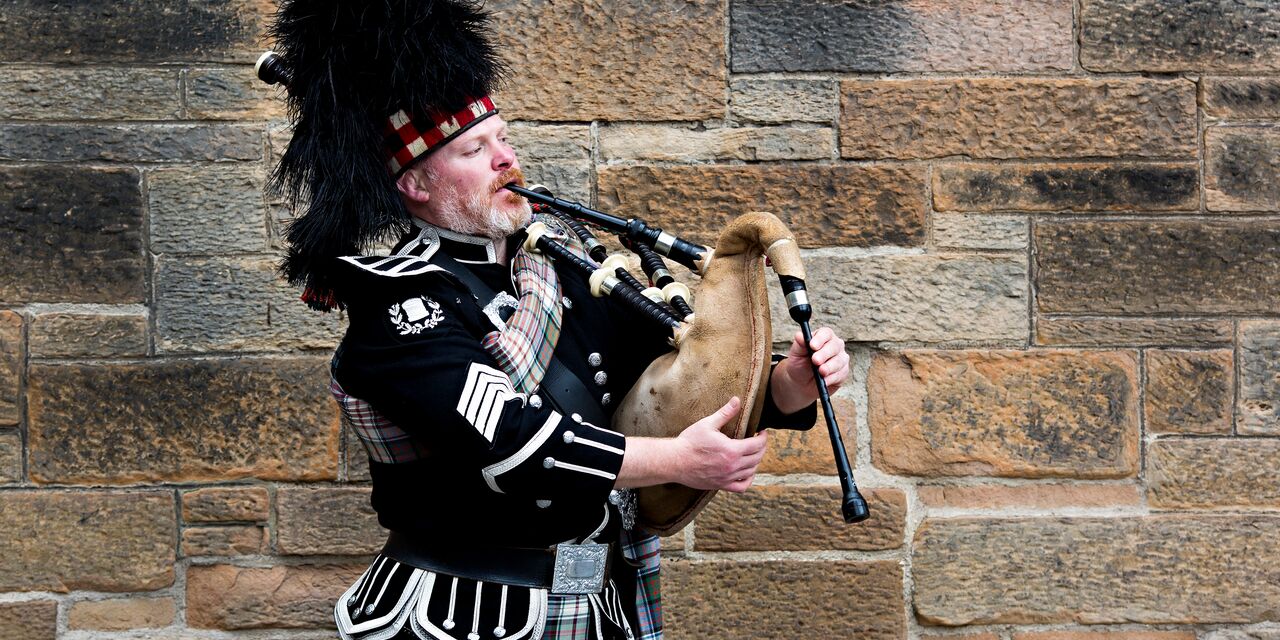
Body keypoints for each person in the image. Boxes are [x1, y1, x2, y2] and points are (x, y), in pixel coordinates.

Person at [262, 2, 849, 639]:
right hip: (459, 614)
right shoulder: (398, 302)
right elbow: (512, 438)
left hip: (594, 607)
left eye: (503, 139)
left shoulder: (565, 265)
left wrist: (788, 383)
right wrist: (676, 460)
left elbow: (677, 381)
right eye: (473, 150)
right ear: (416, 186)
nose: (504, 161)